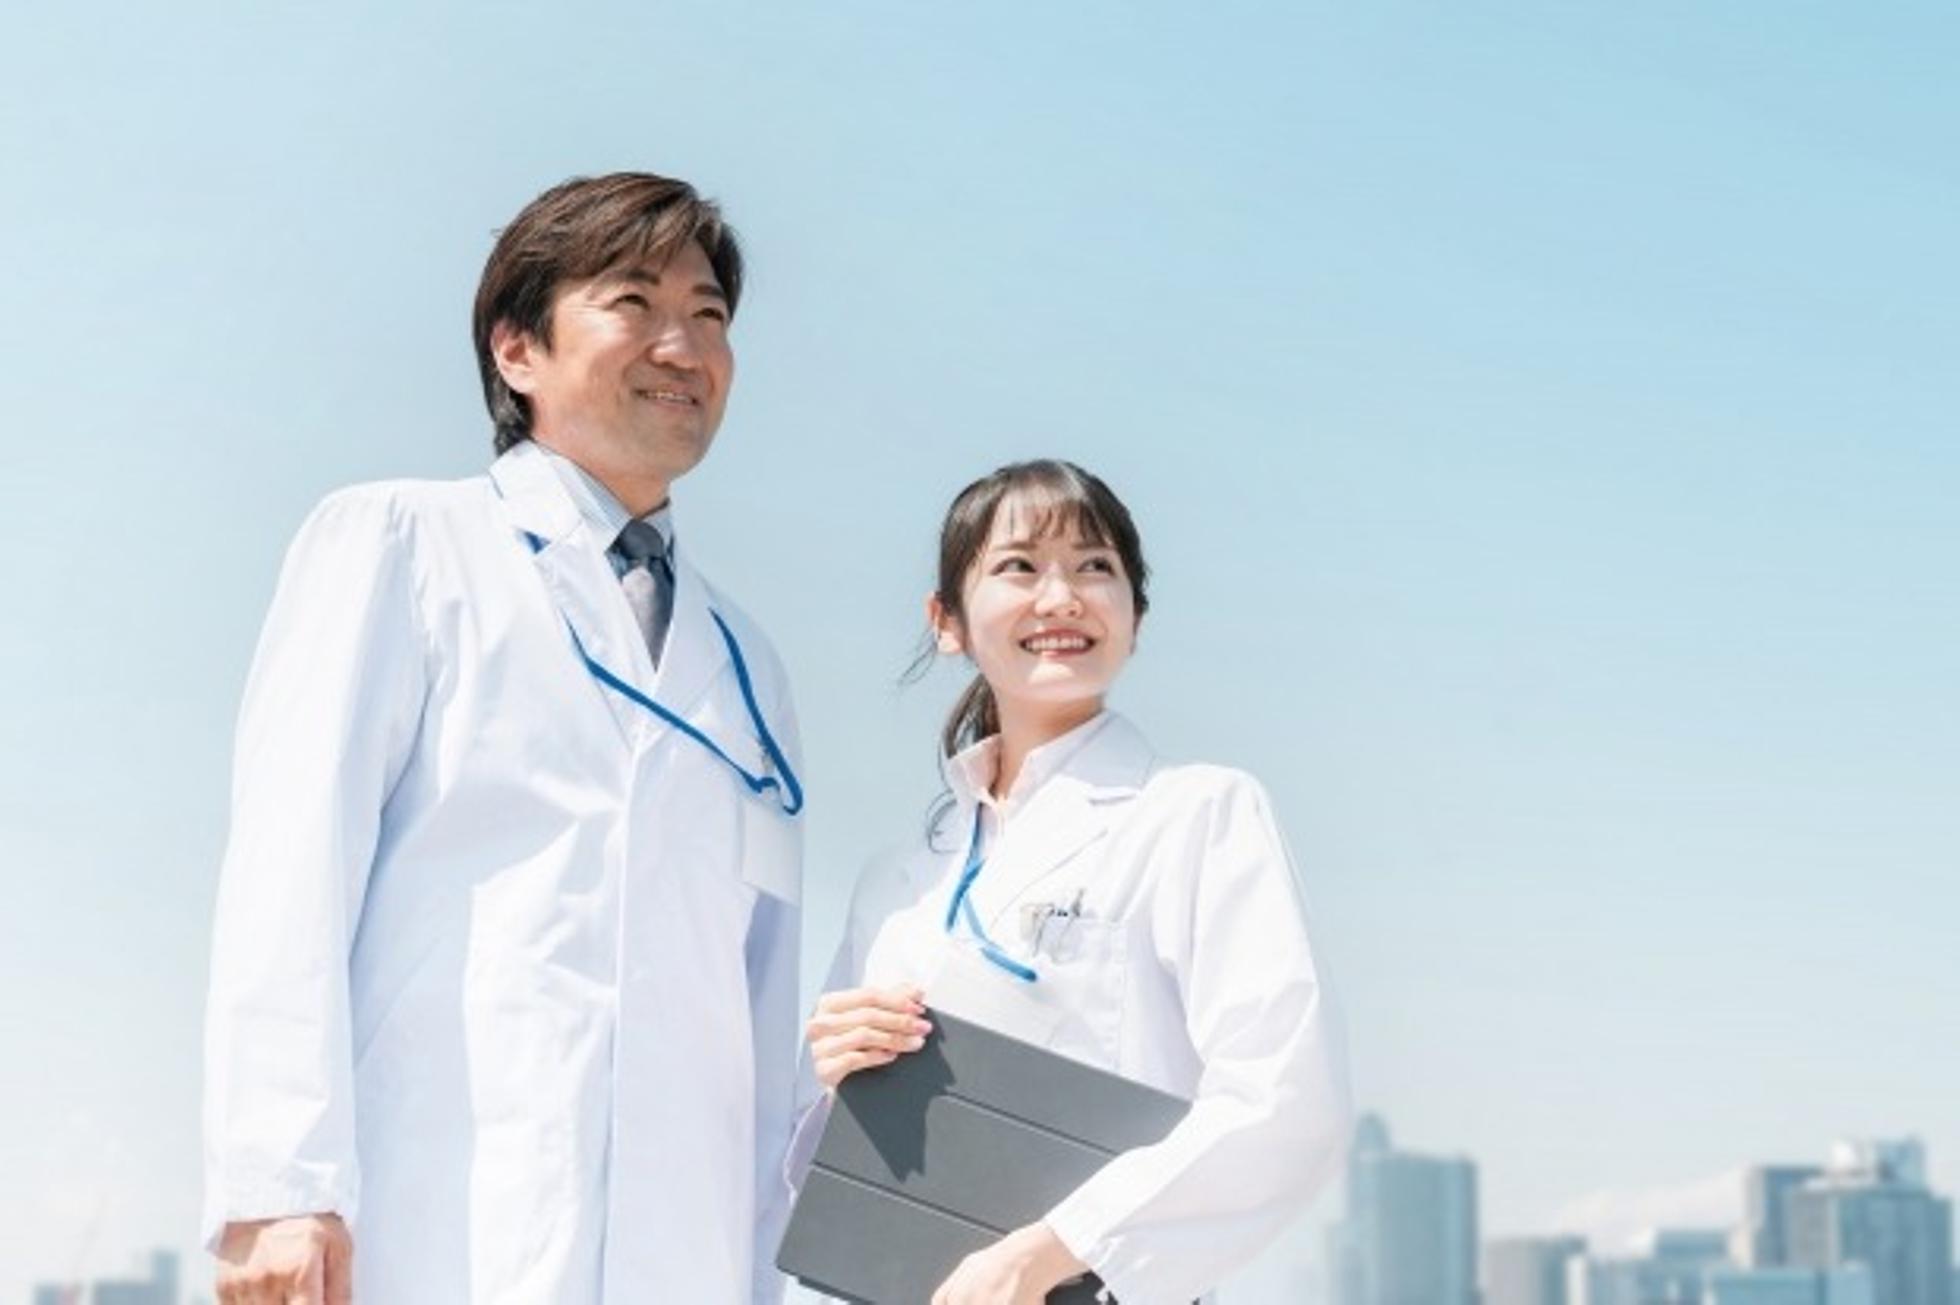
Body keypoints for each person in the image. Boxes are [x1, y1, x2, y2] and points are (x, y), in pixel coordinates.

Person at [202, 173, 805, 1304]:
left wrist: (762, 1267)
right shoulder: (402, 542)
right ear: (517, 349)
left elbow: (760, 1003)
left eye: (710, 313)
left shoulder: (748, 665)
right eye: (634, 302)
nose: (684, 345)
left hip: (683, 1256)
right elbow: (291, 864)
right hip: (443, 1222)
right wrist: (278, 1182)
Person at [799, 460, 1351, 1305]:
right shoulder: (898, 883)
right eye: (1019, 566)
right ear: (946, 621)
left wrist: (1051, 1250)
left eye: (1095, 566)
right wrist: (831, 1075)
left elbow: (1286, 1101)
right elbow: (821, 1172)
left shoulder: (1197, 814)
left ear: (1136, 613)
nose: (1061, 598)